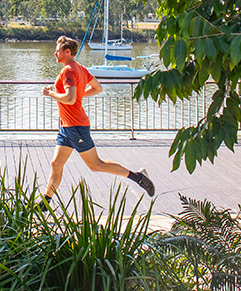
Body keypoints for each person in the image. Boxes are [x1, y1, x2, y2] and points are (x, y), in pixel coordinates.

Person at [38, 35, 154, 208]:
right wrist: (75, 94)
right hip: (66, 126)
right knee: (56, 163)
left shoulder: (69, 70)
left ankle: (138, 177)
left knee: (96, 165)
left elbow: (69, 99)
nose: (55, 54)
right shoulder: (80, 69)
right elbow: (97, 88)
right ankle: (45, 203)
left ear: (67, 52)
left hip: (76, 126)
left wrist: (52, 93)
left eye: (57, 51)